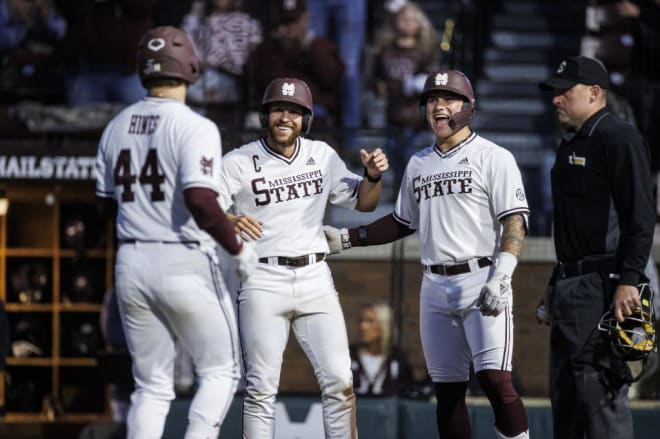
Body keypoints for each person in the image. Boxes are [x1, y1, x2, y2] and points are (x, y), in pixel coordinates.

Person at [324, 69, 531, 439]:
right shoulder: (419, 162)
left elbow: (514, 222)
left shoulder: (493, 156)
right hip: (434, 284)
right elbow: (403, 222)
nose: (438, 106)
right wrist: (348, 238)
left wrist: (503, 274)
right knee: (447, 394)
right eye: (432, 100)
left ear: (469, 107)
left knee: (496, 381)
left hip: (482, 276)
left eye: (448, 99)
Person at [94, 26, 258, 439]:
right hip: (182, 256)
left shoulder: (115, 125)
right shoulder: (195, 126)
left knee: (151, 386)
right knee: (222, 369)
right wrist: (238, 249)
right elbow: (202, 201)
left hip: (131, 259)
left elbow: (104, 205)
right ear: (190, 66)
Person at [217, 76, 389, 438]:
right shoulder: (239, 161)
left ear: (306, 119)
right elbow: (203, 207)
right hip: (263, 279)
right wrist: (230, 218)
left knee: (341, 381)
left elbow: (365, 202)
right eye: (278, 108)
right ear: (265, 115)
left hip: (314, 276)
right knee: (261, 388)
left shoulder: (322, 155)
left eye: (294, 112)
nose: (285, 117)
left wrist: (372, 176)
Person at [536, 56, 655, 439]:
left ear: (594, 93)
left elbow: (641, 216)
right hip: (572, 283)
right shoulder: (569, 142)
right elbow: (574, 229)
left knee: (600, 397)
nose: (556, 100)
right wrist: (557, 279)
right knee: (566, 399)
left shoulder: (619, 137)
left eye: (564, 91)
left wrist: (629, 281)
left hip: (603, 286)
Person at [371, 0, 439, 191]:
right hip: (393, 111)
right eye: (404, 19)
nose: (408, 23)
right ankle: (398, 186)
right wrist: (379, 86)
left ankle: (408, 188)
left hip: (414, 114)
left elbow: (431, 78)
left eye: (412, 20)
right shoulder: (386, 50)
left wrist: (416, 84)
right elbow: (376, 76)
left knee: (410, 152)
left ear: (419, 25)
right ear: (395, 22)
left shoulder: (423, 52)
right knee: (392, 151)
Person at [246, 0, 344, 129]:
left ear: (305, 19)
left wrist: (310, 48)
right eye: (285, 22)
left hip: (313, 110)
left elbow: (331, 79)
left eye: (294, 21)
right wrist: (282, 47)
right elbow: (261, 81)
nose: (290, 27)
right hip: (276, 108)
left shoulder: (321, 46)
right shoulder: (267, 48)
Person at [350, 301, 415, 396]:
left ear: (383, 325)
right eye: (361, 321)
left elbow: (407, 389)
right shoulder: (350, 355)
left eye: (370, 321)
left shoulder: (397, 357)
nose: (362, 327)